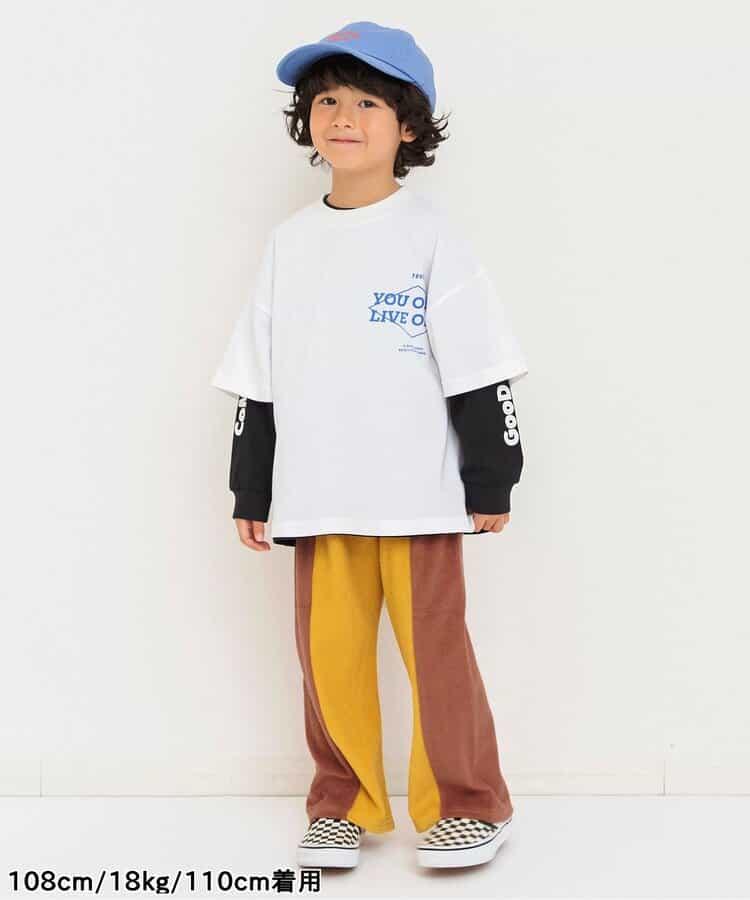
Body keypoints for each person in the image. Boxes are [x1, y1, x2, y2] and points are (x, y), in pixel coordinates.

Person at [210, 21, 528, 871]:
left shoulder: (431, 237)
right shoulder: (289, 244)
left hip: (418, 495)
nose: (342, 118)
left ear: (409, 125)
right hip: (317, 495)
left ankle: (469, 803)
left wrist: (492, 477)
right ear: (306, 120)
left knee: (437, 656)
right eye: (326, 101)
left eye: (366, 103)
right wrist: (251, 487)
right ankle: (343, 803)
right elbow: (257, 376)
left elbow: (480, 367)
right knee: (330, 659)